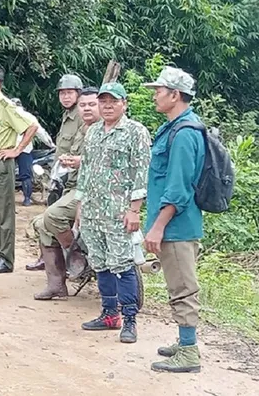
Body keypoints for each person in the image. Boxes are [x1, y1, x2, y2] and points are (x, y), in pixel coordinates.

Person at [75, 82, 151, 343]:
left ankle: (129, 319)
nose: (107, 105)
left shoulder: (135, 132)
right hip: (93, 212)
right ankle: (109, 314)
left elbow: (141, 174)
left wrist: (134, 210)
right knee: (100, 263)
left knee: (122, 264)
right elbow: (85, 170)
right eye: (103, 101)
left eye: (113, 101)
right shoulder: (93, 131)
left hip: (119, 213)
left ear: (124, 103)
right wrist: (80, 204)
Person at [143, 67, 205, 373]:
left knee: (183, 287)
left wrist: (158, 225)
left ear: (175, 95)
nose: (155, 94)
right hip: (172, 223)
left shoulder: (184, 133)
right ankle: (184, 341)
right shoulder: (172, 128)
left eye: (159, 90)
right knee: (176, 284)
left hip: (177, 225)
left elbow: (179, 189)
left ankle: (190, 351)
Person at [32, 86, 101, 300]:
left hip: (92, 191)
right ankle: (57, 285)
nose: (86, 109)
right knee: (41, 224)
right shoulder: (83, 128)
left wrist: (81, 161)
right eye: (83, 105)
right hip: (72, 186)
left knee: (52, 216)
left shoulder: (104, 129)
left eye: (92, 104)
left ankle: (76, 256)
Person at [0, 68, 37, 274]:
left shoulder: (6, 106)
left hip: (1, 165)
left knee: (5, 214)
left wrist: (17, 150)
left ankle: (6, 259)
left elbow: (31, 126)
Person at [27, 75, 86, 275]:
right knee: (47, 217)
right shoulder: (67, 116)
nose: (65, 97)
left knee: (53, 216)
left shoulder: (81, 116)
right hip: (62, 176)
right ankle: (51, 261)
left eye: (70, 93)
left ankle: (74, 256)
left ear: (78, 94)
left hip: (76, 178)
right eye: (62, 93)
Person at [10, 98, 54, 206]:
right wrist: (52, 145)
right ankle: (27, 199)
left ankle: (8, 200)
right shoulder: (29, 117)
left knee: (7, 175)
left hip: (10, 149)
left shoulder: (7, 116)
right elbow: (41, 132)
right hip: (25, 148)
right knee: (26, 175)